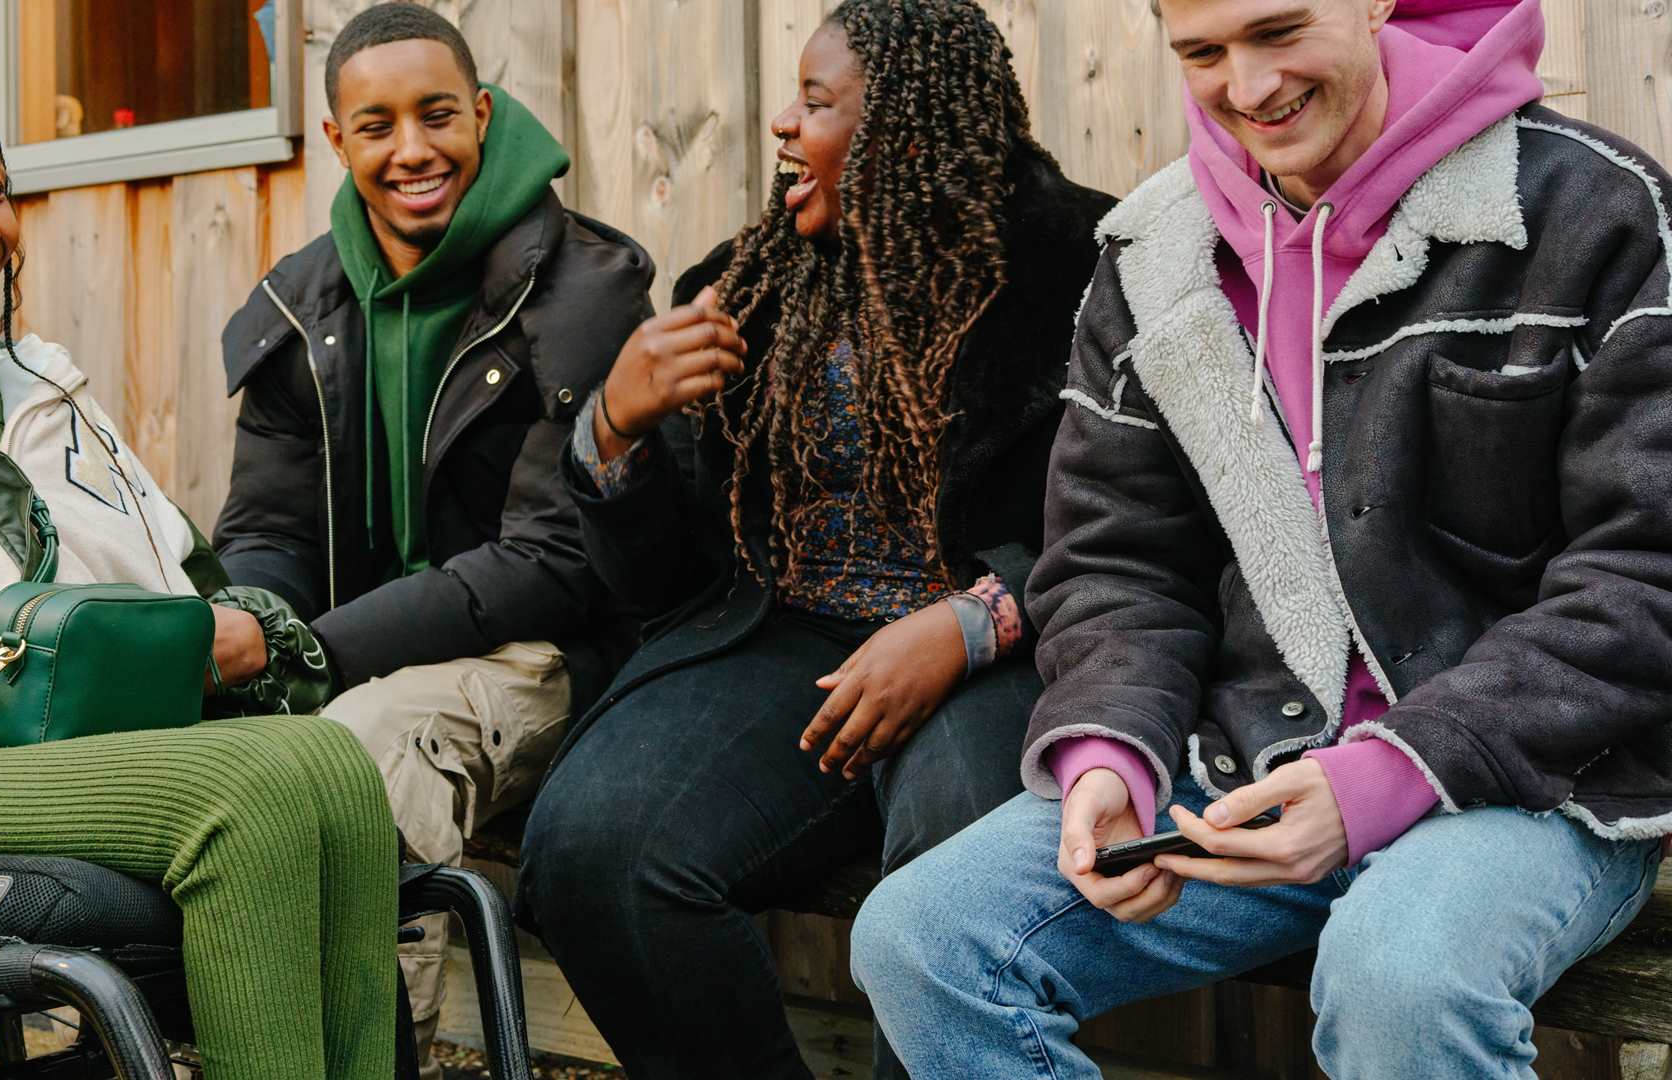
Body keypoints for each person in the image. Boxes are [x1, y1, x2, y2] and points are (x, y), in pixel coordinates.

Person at [851, 0, 1672, 1076]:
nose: (1245, 89)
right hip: (1248, 764)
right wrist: (1107, 749)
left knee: (1401, 978)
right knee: (923, 942)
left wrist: (1386, 777)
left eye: (1278, 30)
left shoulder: (1594, 211)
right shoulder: (1154, 254)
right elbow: (1115, 558)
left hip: (1535, 775)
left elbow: (1644, 570)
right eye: (1201, 51)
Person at [0, 4, 400, 1077]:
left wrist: (233, 634)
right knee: (253, 790)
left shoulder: (41, 394)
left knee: (329, 759)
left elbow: (195, 580)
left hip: (57, 750)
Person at [513, 1, 1114, 1076]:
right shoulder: (746, 288)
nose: (783, 123)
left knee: (958, 880)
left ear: (910, 135)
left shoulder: (1083, 271)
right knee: (590, 850)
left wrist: (973, 620)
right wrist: (614, 431)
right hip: (784, 638)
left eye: (819, 102)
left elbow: (1140, 519)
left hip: (1005, 649)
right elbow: (662, 583)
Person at [213, 7, 651, 1070]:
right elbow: (269, 524)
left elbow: (555, 562)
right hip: (351, 649)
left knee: (360, 754)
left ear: (484, 115)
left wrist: (306, 650)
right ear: (338, 143)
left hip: (547, 652)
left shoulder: (586, 289)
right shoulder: (300, 305)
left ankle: (373, 1052)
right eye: (378, 125)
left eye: (438, 115)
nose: (412, 150)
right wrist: (248, 621)